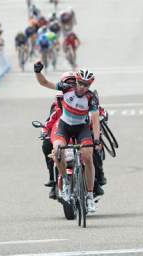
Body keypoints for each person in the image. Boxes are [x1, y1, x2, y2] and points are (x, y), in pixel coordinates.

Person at [34, 61, 101, 213]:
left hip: (81, 129)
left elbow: (95, 120)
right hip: (64, 127)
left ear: (90, 85)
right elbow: (44, 83)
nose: (82, 87)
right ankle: (65, 181)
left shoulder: (91, 98)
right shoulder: (66, 89)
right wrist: (38, 72)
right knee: (57, 151)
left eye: (86, 85)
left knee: (88, 156)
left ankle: (90, 196)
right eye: (80, 83)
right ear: (76, 81)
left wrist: (96, 140)